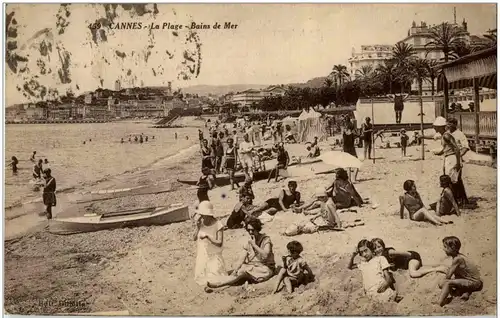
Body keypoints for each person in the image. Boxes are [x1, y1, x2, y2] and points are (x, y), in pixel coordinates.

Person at [207, 218, 275, 289]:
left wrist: (254, 245)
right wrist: (236, 269)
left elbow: (266, 255)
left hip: (265, 269)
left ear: (257, 229)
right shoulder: (250, 241)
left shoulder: (266, 239)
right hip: (254, 266)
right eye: (249, 230)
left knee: (243, 271)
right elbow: (242, 257)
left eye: (252, 230)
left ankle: (220, 284)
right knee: (236, 269)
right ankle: (218, 279)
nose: (251, 232)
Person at [438, 236, 483, 306]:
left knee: (447, 283)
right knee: (444, 283)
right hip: (473, 281)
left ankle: (439, 303)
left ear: (453, 248)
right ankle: (465, 292)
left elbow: (448, 276)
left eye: (445, 247)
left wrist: (447, 272)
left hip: (474, 282)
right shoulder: (459, 256)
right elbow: (459, 273)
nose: (443, 249)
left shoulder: (457, 259)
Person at [372, 238, 446, 279]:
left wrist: (412, 258)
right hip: (407, 262)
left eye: (379, 247)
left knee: (413, 274)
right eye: (375, 248)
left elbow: (404, 253)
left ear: (383, 246)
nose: (378, 249)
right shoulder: (379, 257)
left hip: (410, 257)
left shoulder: (389, 252)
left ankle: (438, 269)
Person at [193, 201, 228, 287]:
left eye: (202, 214)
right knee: (201, 278)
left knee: (215, 279)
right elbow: (194, 238)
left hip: (214, 256)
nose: (201, 216)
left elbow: (219, 243)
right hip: (203, 256)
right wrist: (197, 228)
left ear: (208, 214)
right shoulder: (201, 223)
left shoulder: (218, 224)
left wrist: (208, 237)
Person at [447, 117, 470, 207]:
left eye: (450, 124)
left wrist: (459, 156)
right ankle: (456, 198)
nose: (448, 125)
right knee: (450, 179)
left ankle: (463, 199)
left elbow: (465, 147)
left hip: (456, 158)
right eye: (447, 123)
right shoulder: (448, 133)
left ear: (454, 124)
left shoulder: (460, 134)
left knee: (457, 179)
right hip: (449, 159)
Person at [342, 117, 359, 182]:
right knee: (357, 165)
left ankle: (349, 180)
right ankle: (354, 178)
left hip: (346, 150)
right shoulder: (352, 134)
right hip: (352, 150)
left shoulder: (344, 134)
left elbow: (343, 143)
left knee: (348, 167)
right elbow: (357, 140)